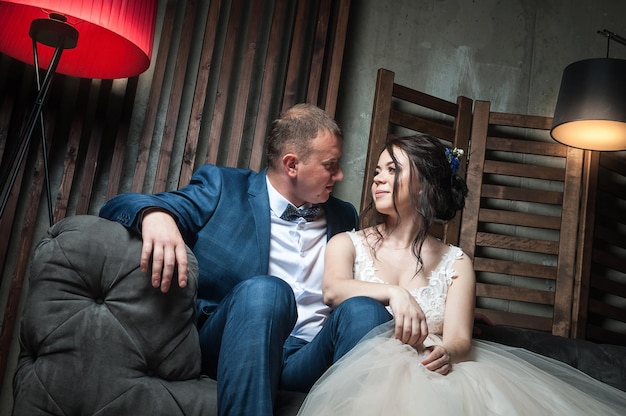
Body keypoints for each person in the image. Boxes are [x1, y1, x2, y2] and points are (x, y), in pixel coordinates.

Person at [296, 134, 626, 415]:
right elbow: (334, 291)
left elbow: (459, 339)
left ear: (425, 184)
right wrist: (397, 294)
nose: (378, 179)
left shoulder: (456, 262)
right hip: (357, 372)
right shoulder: (346, 242)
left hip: (428, 365)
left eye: (393, 170)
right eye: (378, 171)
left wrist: (447, 353)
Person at [99, 103, 394, 416]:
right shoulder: (223, 187)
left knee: (365, 310)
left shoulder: (343, 214)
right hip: (236, 342)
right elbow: (118, 205)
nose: (340, 174)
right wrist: (153, 214)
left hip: (309, 354)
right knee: (267, 291)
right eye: (330, 165)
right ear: (292, 165)